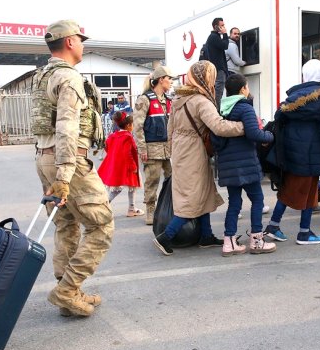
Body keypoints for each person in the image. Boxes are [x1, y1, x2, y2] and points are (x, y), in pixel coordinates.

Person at [31, 19, 113, 318]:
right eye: (80, 39)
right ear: (69, 42)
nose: (83, 44)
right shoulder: (68, 77)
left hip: (45, 157)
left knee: (66, 225)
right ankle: (66, 290)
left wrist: (53, 171)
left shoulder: (42, 76)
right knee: (101, 226)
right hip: (69, 161)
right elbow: (66, 126)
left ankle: (70, 294)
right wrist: (65, 174)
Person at [152, 61, 244, 256]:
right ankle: (166, 236)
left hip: (180, 151)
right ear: (206, 78)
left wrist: (174, 152)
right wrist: (243, 127)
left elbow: (170, 131)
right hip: (194, 151)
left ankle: (206, 236)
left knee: (203, 192)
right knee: (192, 198)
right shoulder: (201, 101)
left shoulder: (179, 99)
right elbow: (219, 126)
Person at [263, 59, 320, 245]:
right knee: (305, 191)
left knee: (296, 189)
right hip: (313, 152)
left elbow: (279, 118)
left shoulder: (292, 97)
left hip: (290, 150)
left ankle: (300, 230)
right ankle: (291, 230)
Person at [216, 73, 275, 256]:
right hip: (246, 164)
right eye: (247, 86)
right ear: (243, 89)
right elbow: (254, 134)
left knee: (234, 203)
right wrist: (270, 136)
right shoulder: (244, 108)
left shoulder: (221, 110)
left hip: (227, 164)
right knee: (257, 200)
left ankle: (229, 242)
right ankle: (257, 241)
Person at [132, 66, 175, 225]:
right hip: (152, 148)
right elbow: (137, 126)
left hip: (169, 148)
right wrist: (142, 148)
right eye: (169, 78)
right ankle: (150, 210)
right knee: (152, 180)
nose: (171, 82)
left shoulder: (170, 101)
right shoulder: (145, 99)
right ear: (161, 79)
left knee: (173, 179)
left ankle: (171, 208)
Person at [97, 111, 143, 216]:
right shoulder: (128, 136)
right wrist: (133, 166)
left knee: (117, 188)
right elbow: (128, 153)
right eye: (132, 124)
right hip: (127, 166)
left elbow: (107, 148)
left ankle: (104, 205)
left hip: (117, 165)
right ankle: (131, 209)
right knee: (132, 187)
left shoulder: (112, 136)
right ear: (128, 125)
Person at [204, 17, 230, 106]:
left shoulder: (214, 37)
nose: (224, 27)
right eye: (222, 25)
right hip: (218, 69)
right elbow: (225, 45)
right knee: (218, 93)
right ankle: (216, 112)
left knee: (218, 93)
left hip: (218, 69)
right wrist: (225, 34)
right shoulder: (213, 37)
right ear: (216, 27)